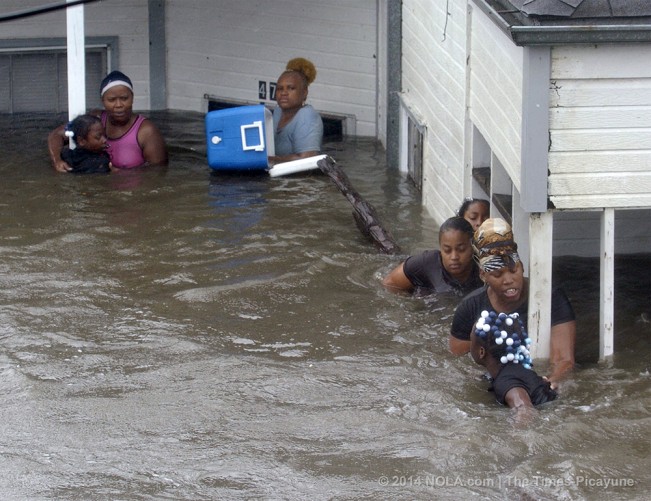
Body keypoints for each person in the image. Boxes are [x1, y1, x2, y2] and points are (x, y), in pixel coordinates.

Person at [450, 218, 576, 385]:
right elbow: (459, 365)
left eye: (513, 270)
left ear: (522, 266)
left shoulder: (550, 297)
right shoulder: (470, 308)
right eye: (498, 274)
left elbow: (564, 360)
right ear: (483, 275)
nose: (508, 280)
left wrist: (551, 382)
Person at [48, 70, 168, 172]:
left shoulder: (146, 131)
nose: (119, 105)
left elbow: (156, 173)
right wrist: (57, 161)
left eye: (124, 98)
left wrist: (118, 175)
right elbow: (56, 135)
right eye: (111, 100)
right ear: (103, 101)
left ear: (132, 98)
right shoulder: (95, 120)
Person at [471, 310, 557, 412]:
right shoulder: (516, 370)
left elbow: (524, 409)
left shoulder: (506, 383)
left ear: (481, 352)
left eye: (471, 341)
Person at [382, 216, 483, 296]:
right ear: (440, 249)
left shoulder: (482, 268)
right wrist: (411, 306)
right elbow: (389, 283)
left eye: (461, 250)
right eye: (447, 250)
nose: (454, 257)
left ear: (472, 247)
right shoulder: (426, 263)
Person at [268, 58, 323, 165]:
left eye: (291, 88)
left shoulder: (307, 116)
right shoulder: (278, 111)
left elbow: (307, 160)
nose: (284, 93)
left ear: (304, 92)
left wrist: (270, 159)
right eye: (280, 88)